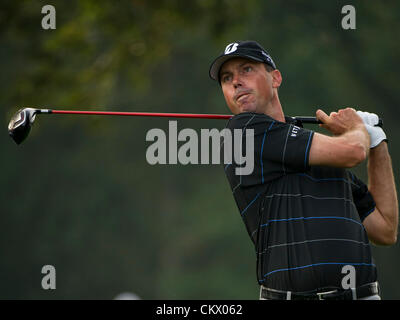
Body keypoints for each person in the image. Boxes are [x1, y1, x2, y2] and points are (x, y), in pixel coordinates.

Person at [209, 40, 398, 300]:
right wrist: (356, 129)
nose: (236, 82)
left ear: (275, 78)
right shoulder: (242, 133)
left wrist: (377, 142)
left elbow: (385, 229)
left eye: (246, 70)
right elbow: (353, 151)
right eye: (227, 78)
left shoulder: (320, 153)